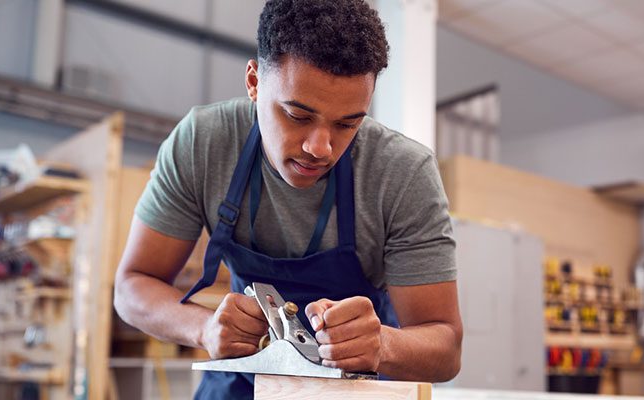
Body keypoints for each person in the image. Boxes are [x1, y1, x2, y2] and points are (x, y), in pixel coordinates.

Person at [113, 0, 462, 398]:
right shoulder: (203, 143)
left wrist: (383, 343)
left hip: (354, 388)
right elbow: (131, 286)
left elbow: (447, 348)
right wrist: (204, 328)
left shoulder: (403, 173)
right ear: (254, 82)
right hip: (240, 382)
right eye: (297, 116)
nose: (321, 148)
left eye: (348, 124)